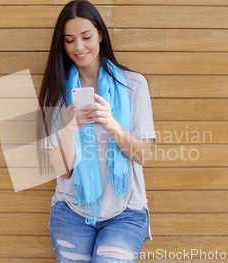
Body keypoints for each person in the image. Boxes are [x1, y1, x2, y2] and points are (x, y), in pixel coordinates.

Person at [36, 0, 156, 262]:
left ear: (100, 34)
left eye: (86, 36)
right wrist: (69, 129)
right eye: (69, 40)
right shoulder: (54, 93)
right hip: (71, 211)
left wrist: (112, 124)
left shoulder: (134, 85)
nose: (78, 47)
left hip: (126, 212)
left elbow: (143, 155)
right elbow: (62, 170)